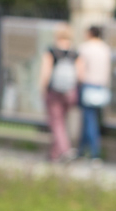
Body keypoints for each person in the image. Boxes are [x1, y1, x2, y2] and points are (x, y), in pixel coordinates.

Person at [39, 24, 76, 163]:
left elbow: (46, 72)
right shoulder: (74, 53)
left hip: (54, 91)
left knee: (56, 122)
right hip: (69, 92)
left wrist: (42, 88)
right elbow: (80, 74)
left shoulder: (52, 51)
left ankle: (65, 150)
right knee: (61, 122)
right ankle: (54, 154)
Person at [76, 26, 110, 165]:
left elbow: (80, 69)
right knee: (89, 119)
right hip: (100, 86)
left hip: (88, 85)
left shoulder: (85, 48)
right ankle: (81, 150)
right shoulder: (105, 48)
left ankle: (95, 152)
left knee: (89, 120)